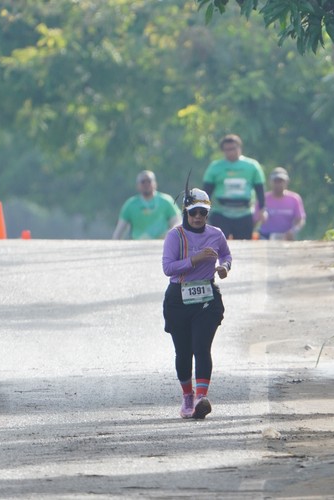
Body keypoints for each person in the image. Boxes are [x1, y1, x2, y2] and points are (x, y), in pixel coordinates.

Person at [162, 185, 232, 420]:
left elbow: (226, 254)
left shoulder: (216, 234)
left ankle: (202, 398)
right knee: (184, 352)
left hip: (207, 299)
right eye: (194, 212)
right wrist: (195, 259)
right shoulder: (175, 236)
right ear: (186, 212)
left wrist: (224, 267)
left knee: (202, 347)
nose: (198, 217)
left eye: (203, 212)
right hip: (178, 299)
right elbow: (168, 268)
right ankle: (187, 396)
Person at [203, 134, 266, 239]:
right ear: (223, 151)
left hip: (244, 213)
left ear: (240, 148)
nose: (231, 152)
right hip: (221, 213)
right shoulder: (215, 167)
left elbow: (260, 189)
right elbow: (206, 191)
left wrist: (262, 209)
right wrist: (202, 211)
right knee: (218, 244)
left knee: (244, 245)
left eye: (233, 148)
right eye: (227, 150)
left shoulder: (252, 166)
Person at [112, 170, 181, 240]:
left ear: (155, 183)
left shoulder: (166, 201)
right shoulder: (130, 204)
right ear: (137, 185)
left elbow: (177, 223)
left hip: (161, 243)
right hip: (137, 244)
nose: (146, 184)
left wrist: (170, 235)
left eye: (149, 181)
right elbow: (118, 232)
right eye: (143, 182)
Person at [256, 167, 306, 240]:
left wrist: (293, 231)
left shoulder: (294, 199)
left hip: (286, 238)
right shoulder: (263, 199)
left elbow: (300, 219)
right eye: (275, 181)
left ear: (287, 182)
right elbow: (254, 220)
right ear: (270, 182)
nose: (278, 184)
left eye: (281, 181)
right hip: (265, 237)